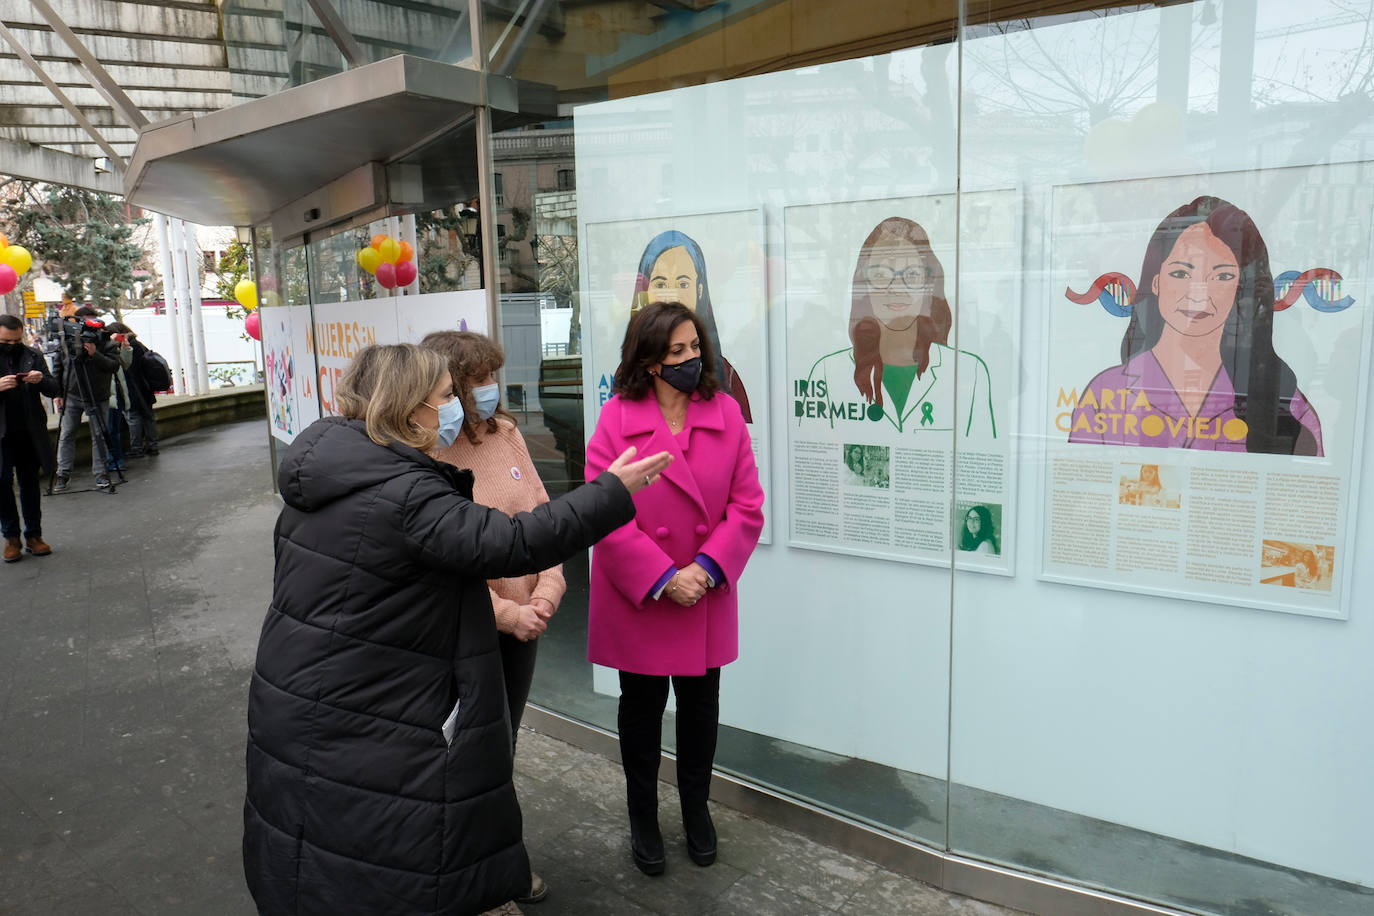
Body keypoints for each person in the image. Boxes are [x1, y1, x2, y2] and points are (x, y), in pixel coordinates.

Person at [242, 343, 672, 916]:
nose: (456, 407)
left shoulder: (328, 474)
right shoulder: (404, 494)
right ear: (411, 408)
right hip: (368, 707)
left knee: (316, 838)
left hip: (306, 696)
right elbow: (515, 542)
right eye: (446, 396)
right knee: (375, 846)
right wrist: (611, 492)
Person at [585, 302, 765, 876]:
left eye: (695, 346)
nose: (691, 358)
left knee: (700, 709)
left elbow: (748, 505)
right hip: (643, 594)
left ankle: (695, 810)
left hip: (703, 591)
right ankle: (643, 814)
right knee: (640, 712)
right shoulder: (616, 418)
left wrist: (706, 569)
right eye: (676, 351)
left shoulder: (726, 414)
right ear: (648, 361)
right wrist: (664, 577)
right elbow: (602, 512)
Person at [423, 329, 562, 909]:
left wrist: (545, 594)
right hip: (469, 633)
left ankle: (498, 862)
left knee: (500, 753)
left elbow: (545, 521)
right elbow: (442, 564)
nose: (489, 388)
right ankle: (476, 880)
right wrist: (506, 614)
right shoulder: (428, 455)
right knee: (468, 759)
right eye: (476, 378)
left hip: (525, 625)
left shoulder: (506, 434)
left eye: (491, 376)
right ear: (445, 387)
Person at [1069, 196, 1322, 454]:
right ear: (1155, 282)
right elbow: (1084, 485)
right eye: (1181, 273)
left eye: (1222, 276)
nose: (1199, 295)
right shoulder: (1105, 393)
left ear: (1241, 289)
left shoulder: (1285, 403)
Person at [802, 217, 996, 436]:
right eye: (880, 275)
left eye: (912, 275)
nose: (896, 288)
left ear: (928, 285)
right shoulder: (826, 373)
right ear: (864, 286)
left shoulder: (970, 371)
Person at [634, 230, 753, 422]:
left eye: (682, 284)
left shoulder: (725, 376)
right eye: (661, 285)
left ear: (699, 290)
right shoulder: (627, 381)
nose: (672, 296)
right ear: (646, 291)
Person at [0, 315, 59, 562]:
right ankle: (12, 538)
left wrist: (40, 380)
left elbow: (55, 388)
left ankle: (34, 536)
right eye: (5, 340)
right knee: (2, 486)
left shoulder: (33, 354)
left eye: (16, 339)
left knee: (30, 484)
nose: (11, 344)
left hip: (29, 431)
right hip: (2, 435)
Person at [52, 306, 119, 490]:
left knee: (99, 436)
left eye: (94, 321)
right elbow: (59, 368)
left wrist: (95, 354)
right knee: (66, 435)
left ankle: (101, 473)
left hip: (98, 395)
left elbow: (113, 366)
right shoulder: (68, 342)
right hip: (72, 394)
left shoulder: (106, 342)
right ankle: (62, 474)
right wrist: (58, 393)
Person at [108, 323, 160, 457]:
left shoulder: (127, 347)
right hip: (145, 387)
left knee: (133, 417)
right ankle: (153, 445)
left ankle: (136, 447)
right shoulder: (139, 344)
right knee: (148, 416)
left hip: (132, 387)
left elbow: (126, 367)